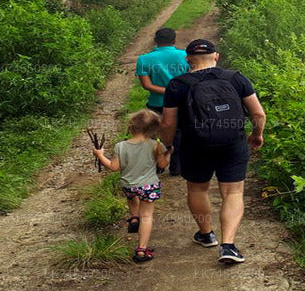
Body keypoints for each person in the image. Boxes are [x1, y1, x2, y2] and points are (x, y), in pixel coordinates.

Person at [160, 39, 266, 265]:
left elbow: (168, 124)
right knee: (233, 192)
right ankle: (228, 245)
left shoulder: (178, 85)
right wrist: (257, 134)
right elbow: (258, 114)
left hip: (194, 144)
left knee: (198, 188)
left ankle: (206, 235)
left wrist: (167, 145)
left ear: (188, 60)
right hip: (233, 142)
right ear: (216, 56)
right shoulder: (236, 78)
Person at [93, 109, 171, 264]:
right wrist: (168, 153)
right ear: (154, 129)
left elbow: (114, 167)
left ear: (131, 126)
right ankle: (142, 250)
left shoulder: (121, 146)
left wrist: (100, 155)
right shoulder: (156, 145)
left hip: (128, 185)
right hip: (149, 186)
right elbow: (163, 164)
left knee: (132, 197)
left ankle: (134, 218)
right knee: (147, 216)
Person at [135, 27, 188, 175]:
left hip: (156, 103)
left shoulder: (144, 59)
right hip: (180, 102)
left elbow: (147, 85)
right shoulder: (185, 56)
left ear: (155, 41)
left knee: (154, 134)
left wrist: (166, 91)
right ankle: (176, 167)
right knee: (178, 134)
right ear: (174, 40)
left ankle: (157, 166)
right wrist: (175, 92)